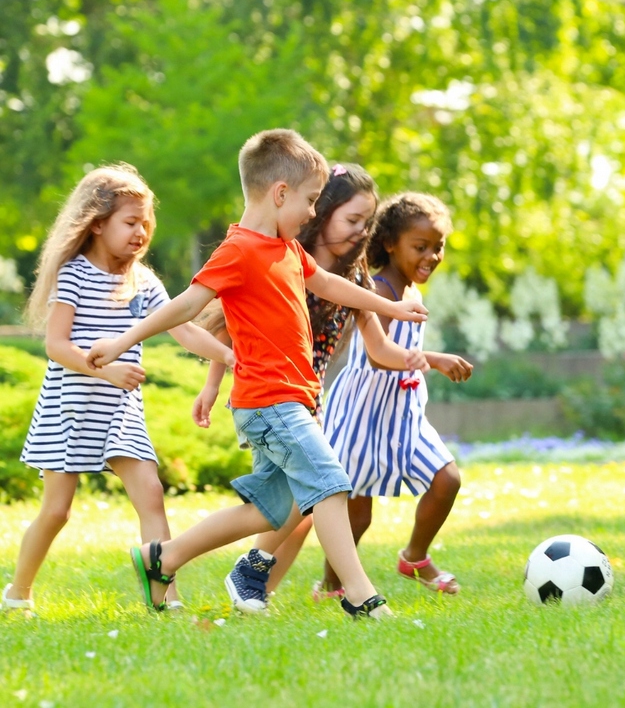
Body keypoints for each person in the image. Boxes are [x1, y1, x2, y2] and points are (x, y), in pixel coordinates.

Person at [86, 129, 429, 620]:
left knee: (269, 512)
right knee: (330, 483)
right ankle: (360, 594)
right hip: (269, 402)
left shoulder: (286, 249)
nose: (313, 212)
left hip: (292, 399)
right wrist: (122, 342)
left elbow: (329, 283)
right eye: (310, 201)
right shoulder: (240, 250)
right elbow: (185, 305)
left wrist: (385, 304)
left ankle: (164, 557)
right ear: (280, 193)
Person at [192, 162, 430, 613]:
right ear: (323, 213)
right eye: (353, 220)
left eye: (368, 223)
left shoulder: (354, 278)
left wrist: (424, 356)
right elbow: (230, 326)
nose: (362, 232)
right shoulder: (280, 256)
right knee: (316, 494)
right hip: (269, 393)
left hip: (305, 394)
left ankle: (237, 580)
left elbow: (379, 348)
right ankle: (317, 590)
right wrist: (211, 384)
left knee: (291, 506)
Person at [1, 164, 233, 613]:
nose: (141, 232)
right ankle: (17, 592)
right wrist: (105, 371)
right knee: (57, 512)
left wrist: (226, 356)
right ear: (97, 223)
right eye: (130, 222)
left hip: (119, 412)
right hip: (69, 407)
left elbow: (182, 328)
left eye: (146, 223)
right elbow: (56, 346)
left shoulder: (142, 281)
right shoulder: (74, 274)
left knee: (150, 493)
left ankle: (166, 598)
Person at [321, 191, 473, 596]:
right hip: (361, 411)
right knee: (357, 513)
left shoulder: (411, 293)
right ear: (390, 243)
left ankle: (414, 557)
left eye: (437, 247)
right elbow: (376, 357)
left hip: (402, 413)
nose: (431, 256)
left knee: (447, 479)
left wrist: (426, 363)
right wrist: (434, 358)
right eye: (420, 247)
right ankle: (332, 584)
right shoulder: (381, 290)